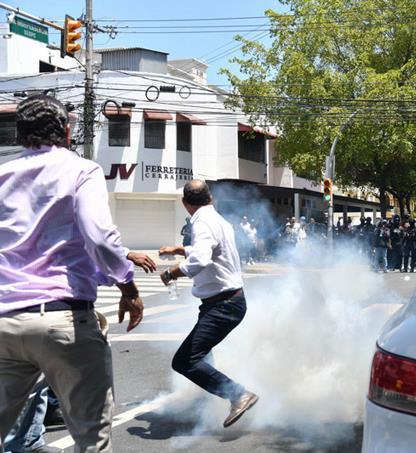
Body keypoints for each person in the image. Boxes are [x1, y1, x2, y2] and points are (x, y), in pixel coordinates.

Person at [0, 94, 144, 453]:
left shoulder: (2, 175)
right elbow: (100, 237)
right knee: (91, 438)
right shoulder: (81, 169)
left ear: (20, 134)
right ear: (67, 131)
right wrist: (127, 285)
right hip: (62, 319)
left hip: (4, 321)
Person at [158, 180, 258, 428]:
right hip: (225, 302)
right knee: (202, 355)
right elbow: (211, 249)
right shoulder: (218, 220)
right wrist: (181, 249)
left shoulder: (202, 222)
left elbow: (201, 259)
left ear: (184, 203)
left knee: (185, 361)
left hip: (223, 306)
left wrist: (171, 272)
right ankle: (206, 402)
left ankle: (238, 394)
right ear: (210, 198)